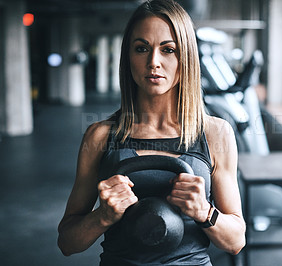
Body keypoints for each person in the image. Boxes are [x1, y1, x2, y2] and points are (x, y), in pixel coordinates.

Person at [57, 0, 246, 265]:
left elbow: (236, 241)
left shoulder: (215, 133)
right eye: (141, 48)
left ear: (186, 58)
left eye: (168, 49)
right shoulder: (99, 136)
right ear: (129, 57)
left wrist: (204, 211)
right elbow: (67, 242)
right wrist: (102, 216)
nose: (153, 62)